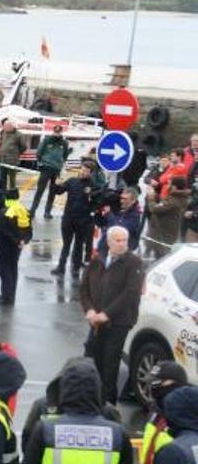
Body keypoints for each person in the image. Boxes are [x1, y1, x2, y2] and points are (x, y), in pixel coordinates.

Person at [79, 225, 145, 405]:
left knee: (110, 363)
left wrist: (107, 314)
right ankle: (91, 398)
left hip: (119, 322)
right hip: (95, 320)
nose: (123, 244)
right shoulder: (98, 259)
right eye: (118, 240)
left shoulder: (133, 263)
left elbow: (130, 293)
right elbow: (84, 288)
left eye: (125, 240)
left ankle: (108, 404)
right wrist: (90, 310)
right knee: (92, 358)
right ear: (108, 242)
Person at [49, 160, 98, 277]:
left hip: (83, 220)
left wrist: (91, 196)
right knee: (66, 244)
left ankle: (76, 267)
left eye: (86, 171)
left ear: (90, 173)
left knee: (79, 244)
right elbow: (59, 191)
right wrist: (54, 184)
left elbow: (97, 201)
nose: (83, 172)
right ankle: (61, 267)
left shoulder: (92, 185)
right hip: (68, 218)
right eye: (82, 169)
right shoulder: (72, 181)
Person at [0, 188, 32, 307]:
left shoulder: (5, 211)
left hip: (4, 245)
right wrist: (24, 240)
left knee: (4, 270)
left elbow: (5, 230)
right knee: (13, 268)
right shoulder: (24, 210)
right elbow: (28, 229)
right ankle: (11, 294)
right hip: (18, 246)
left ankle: (6, 296)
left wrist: (16, 240)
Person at [144, 173, 190, 260]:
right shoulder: (177, 197)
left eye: (169, 183)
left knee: (160, 260)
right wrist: (156, 196)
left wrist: (151, 197)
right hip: (164, 234)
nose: (167, 185)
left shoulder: (174, 201)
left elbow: (154, 209)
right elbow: (163, 203)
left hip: (163, 236)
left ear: (175, 186)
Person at [29, 125, 70, 218]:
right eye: (56, 132)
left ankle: (47, 211)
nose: (57, 134)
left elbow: (65, 155)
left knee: (52, 192)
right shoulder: (47, 140)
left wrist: (60, 164)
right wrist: (41, 162)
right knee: (40, 190)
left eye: (59, 133)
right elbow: (39, 152)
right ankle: (33, 210)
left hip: (56, 170)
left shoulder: (64, 143)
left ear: (61, 133)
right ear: (53, 132)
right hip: (46, 168)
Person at [97, 187, 143, 254]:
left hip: (121, 252)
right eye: (121, 198)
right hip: (107, 249)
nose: (121, 201)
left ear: (133, 201)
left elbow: (118, 229)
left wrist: (109, 214)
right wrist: (98, 213)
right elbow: (105, 226)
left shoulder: (135, 215)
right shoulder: (120, 210)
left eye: (125, 199)